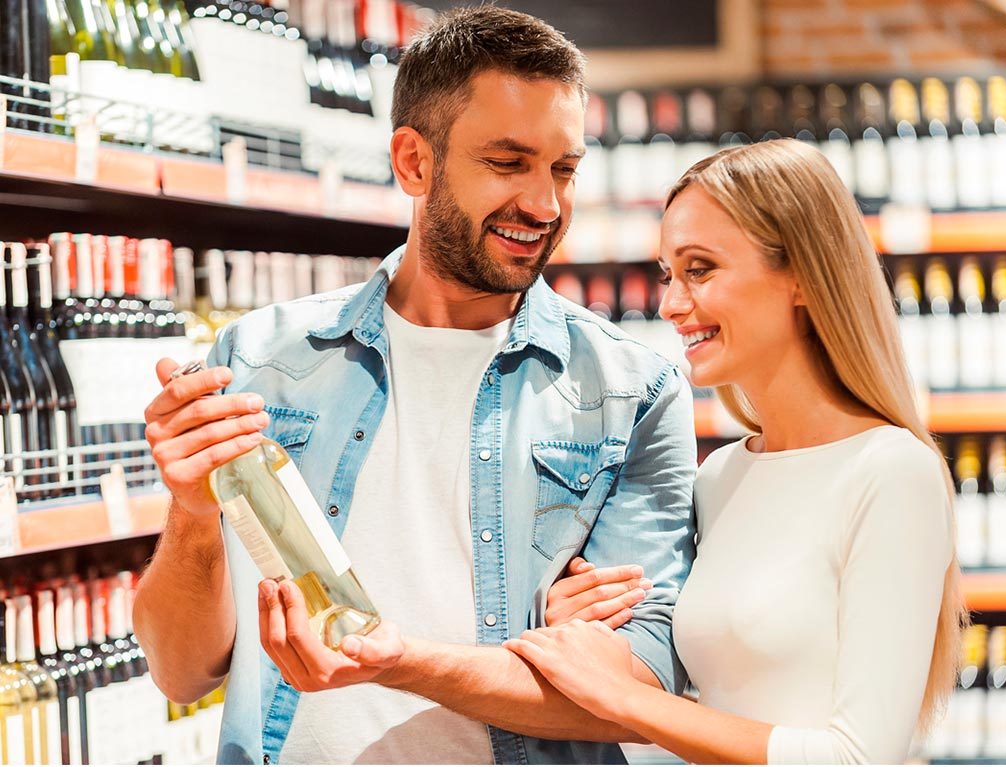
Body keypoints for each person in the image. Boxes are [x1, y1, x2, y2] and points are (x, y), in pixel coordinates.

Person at [134, 6, 697, 765]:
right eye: (508, 162)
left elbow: (636, 694)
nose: (545, 204)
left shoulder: (632, 391)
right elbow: (180, 669)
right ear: (413, 163)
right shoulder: (261, 359)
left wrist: (397, 659)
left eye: (563, 168)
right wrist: (194, 513)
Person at [501, 139, 967, 764]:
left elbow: (859, 757)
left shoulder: (891, 472)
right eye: (669, 274)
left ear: (802, 275)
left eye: (700, 270)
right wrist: (587, 624)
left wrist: (624, 700)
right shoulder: (721, 476)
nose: (669, 304)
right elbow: (725, 710)